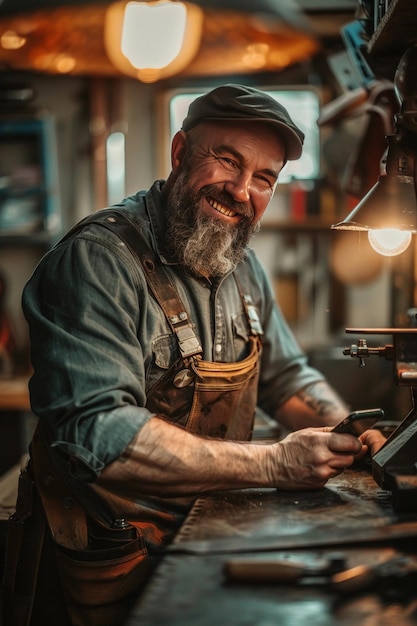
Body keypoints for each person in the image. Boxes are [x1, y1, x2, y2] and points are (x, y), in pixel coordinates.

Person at [3, 84, 368, 626]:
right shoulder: (97, 262)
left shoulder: (244, 265)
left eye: (264, 178)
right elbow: (99, 434)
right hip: (106, 548)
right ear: (179, 153)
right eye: (227, 160)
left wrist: (351, 431)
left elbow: (288, 378)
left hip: (207, 530)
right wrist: (275, 460)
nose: (242, 189)